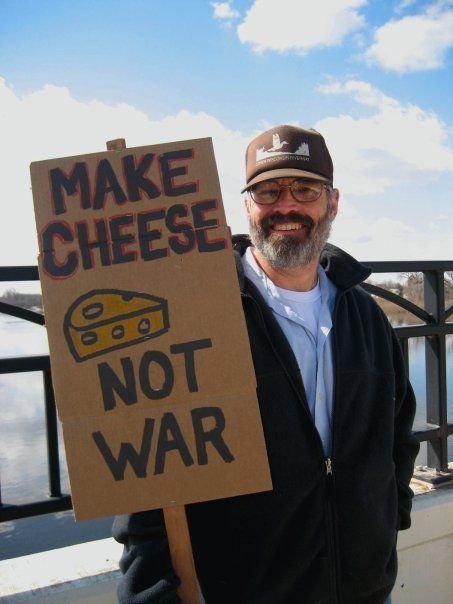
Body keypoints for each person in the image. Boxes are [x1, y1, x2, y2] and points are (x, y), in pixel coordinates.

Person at [113, 124, 419, 603]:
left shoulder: (365, 315)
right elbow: (151, 475)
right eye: (268, 191)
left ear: (332, 202)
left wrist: (387, 519)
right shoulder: (196, 316)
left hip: (366, 590)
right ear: (247, 206)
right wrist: (151, 593)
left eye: (305, 189)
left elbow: (398, 432)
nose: (286, 206)